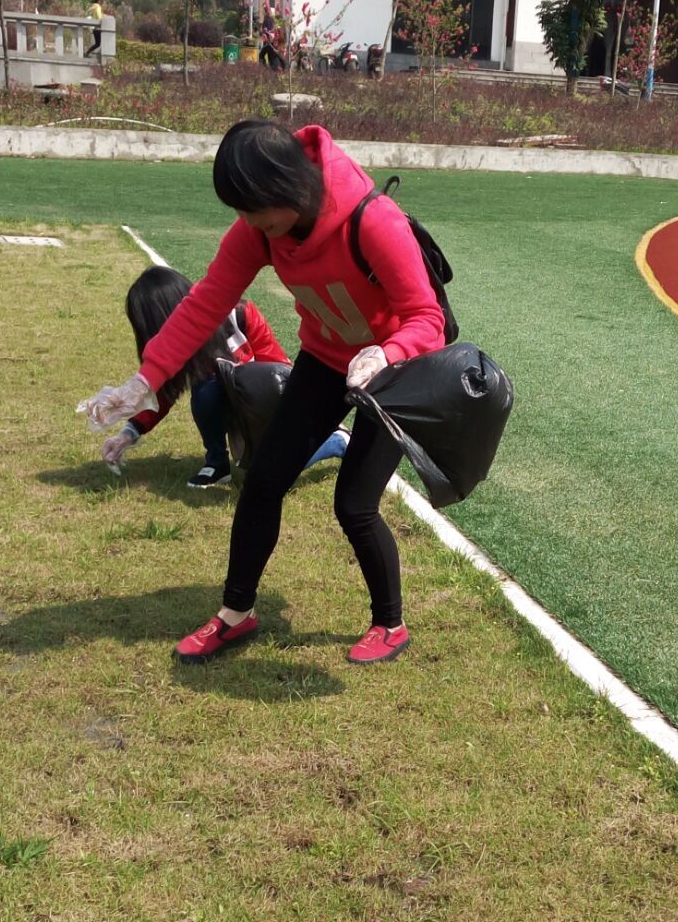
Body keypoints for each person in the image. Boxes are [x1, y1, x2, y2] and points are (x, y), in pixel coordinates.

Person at [78, 119, 447, 666]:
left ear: (287, 189)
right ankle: (235, 614)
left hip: (395, 370)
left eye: (256, 210)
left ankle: (389, 623)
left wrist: (386, 354)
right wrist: (144, 382)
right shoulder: (259, 230)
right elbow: (203, 303)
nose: (249, 224)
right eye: (242, 212)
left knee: (354, 504)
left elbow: (427, 319)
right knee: (262, 481)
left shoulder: (373, 220)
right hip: (325, 361)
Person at [102, 264, 347, 489]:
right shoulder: (177, 346)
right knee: (206, 385)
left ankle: (336, 440)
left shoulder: (240, 314)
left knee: (269, 469)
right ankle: (216, 463)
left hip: (266, 400)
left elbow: (277, 370)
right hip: (233, 402)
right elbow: (165, 392)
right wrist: (129, 433)